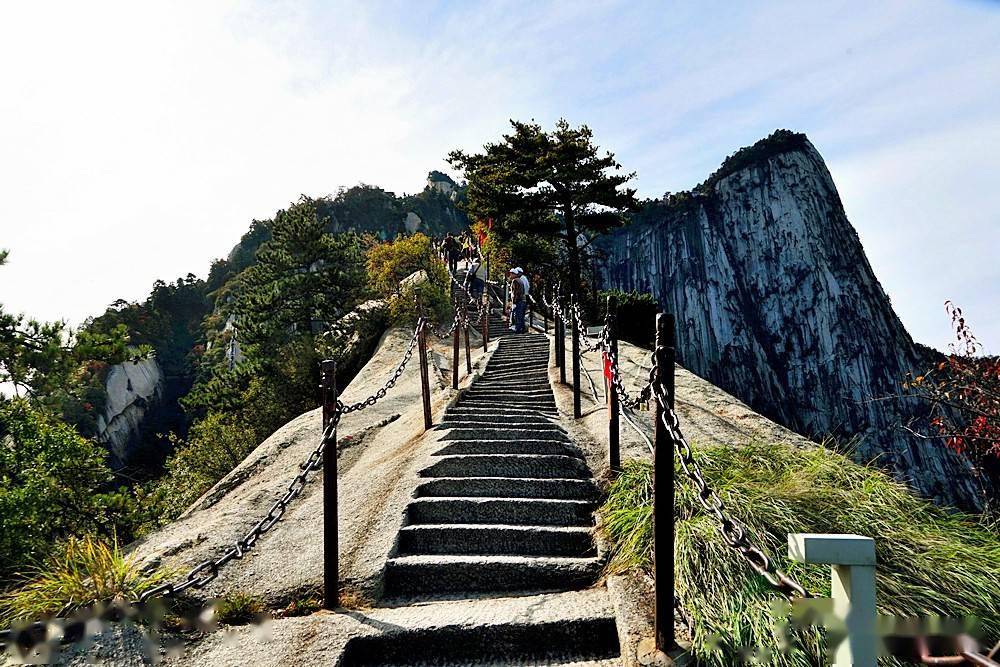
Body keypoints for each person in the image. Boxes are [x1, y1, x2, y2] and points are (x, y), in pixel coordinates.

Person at [508, 267, 527, 334]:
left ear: (514, 274)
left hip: (518, 300)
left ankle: (517, 330)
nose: (510, 275)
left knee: (517, 315)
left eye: (511, 274)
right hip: (522, 300)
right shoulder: (520, 280)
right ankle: (522, 329)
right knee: (521, 316)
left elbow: (516, 292)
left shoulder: (515, 281)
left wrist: (514, 301)